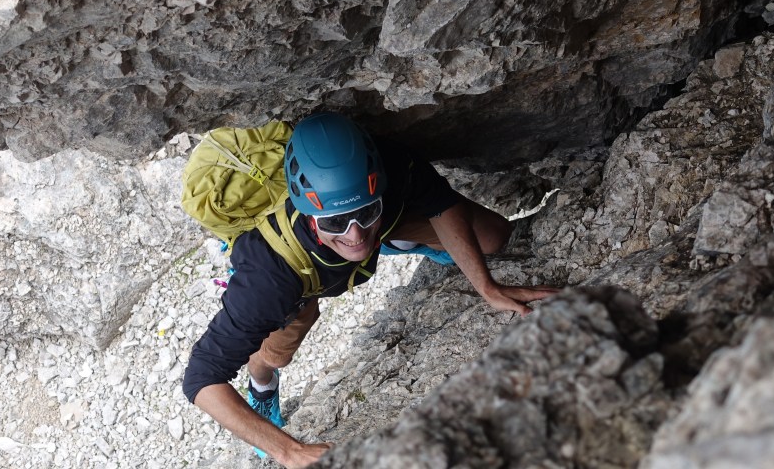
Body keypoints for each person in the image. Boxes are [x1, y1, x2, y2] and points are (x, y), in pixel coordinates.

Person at [182, 113, 558, 468]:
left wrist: (486, 287)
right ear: (310, 215)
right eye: (335, 222)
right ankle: (262, 388)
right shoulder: (269, 278)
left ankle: (398, 239)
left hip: (387, 223)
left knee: (493, 238)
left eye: (365, 212)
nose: (355, 234)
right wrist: (289, 451)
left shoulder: (392, 165)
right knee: (275, 354)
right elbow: (201, 378)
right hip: (300, 280)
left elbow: (440, 203)